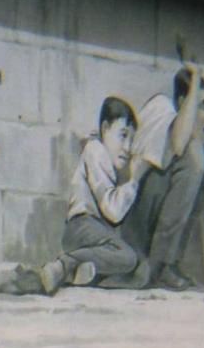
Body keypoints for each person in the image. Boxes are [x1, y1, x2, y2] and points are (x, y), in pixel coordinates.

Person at [29, 96, 150, 295]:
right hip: (82, 227)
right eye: (123, 135)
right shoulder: (95, 151)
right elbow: (113, 211)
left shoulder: (107, 159)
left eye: (131, 140)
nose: (127, 147)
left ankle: (84, 274)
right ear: (104, 129)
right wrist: (134, 179)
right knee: (127, 257)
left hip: (98, 234)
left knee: (141, 269)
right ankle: (62, 266)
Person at [118, 64, 204, 291]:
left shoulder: (167, 112)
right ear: (183, 102)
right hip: (128, 227)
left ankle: (159, 267)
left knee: (192, 158)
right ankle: (159, 267)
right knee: (194, 158)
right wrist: (197, 77)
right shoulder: (162, 110)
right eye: (203, 106)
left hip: (134, 227)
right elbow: (179, 144)